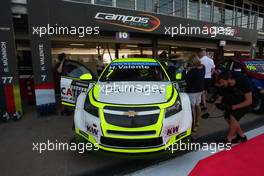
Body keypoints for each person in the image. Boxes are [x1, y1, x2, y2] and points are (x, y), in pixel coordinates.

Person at [204, 72, 252, 143]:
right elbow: (218, 100)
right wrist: (208, 113)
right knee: (227, 116)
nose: (221, 84)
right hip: (235, 103)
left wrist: (233, 107)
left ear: (228, 79)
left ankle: (228, 139)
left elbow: (249, 101)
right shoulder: (223, 87)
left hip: (246, 103)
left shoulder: (243, 81)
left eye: (222, 82)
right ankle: (241, 136)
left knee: (233, 116)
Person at [185, 56, 205, 132]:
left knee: (192, 107)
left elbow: (186, 78)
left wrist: (186, 70)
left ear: (193, 62)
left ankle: (193, 126)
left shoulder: (192, 70)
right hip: (200, 90)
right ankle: (197, 122)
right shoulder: (203, 67)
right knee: (198, 105)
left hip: (192, 91)